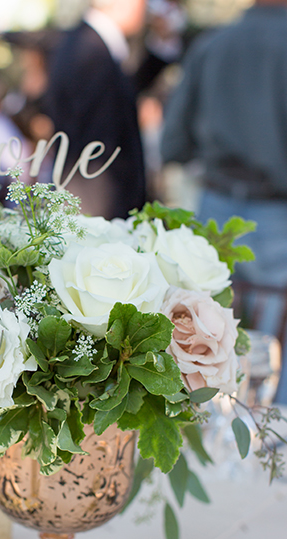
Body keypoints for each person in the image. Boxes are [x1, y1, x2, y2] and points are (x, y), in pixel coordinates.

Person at [161, 0, 287, 402]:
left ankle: (212, 435)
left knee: (208, 336)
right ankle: (273, 449)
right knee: (277, 338)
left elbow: (172, 141)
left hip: (214, 206)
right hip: (277, 210)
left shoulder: (212, 45)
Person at [45, 0, 182, 219]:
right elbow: (97, 147)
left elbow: (122, 94)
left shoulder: (88, 45)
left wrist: (162, 44)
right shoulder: (90, 53)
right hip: (97, 209)